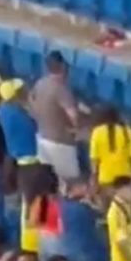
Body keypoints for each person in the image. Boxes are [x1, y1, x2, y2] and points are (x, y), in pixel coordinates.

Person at [29, 51, 80, 183]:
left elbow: (32, 106)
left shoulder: (40, 83)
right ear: (63, 67)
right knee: (70, 183)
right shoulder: (61, 89)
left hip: (42, 138)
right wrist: (75, 130)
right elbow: (73, 115)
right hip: (60, 143)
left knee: (48, 183)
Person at [89, 107, 131, 192]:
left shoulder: (97, 132)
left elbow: (94, 160)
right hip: (125, 177)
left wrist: (93, 179)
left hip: (106, 178)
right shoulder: (127, 131)